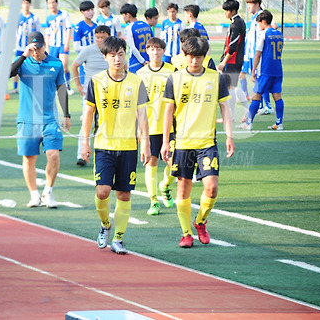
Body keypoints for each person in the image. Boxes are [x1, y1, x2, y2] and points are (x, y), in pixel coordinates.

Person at [160, 36, 235, 248]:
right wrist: (166, 142)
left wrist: (229, 135)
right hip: (182, 143)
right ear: (184, 56)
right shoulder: (174, 79)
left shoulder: (216, 78)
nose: (194, 61)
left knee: (211, 188)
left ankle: (200, 221)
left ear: (205, 57)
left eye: (199, 57)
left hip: (207, 142)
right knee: (183, 189)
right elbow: (168, 112)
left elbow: (225, 108)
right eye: (191, 57)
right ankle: (186, 233)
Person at [80, 36, 150, 255]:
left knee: (124, 195)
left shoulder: (136, 82)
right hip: (104, 145)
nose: (117, 59)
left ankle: (118, 238)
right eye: (112, 55)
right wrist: (85, 143)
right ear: (105, 57)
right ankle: (105, 225)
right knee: (102, 192)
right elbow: (89, 114)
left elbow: (142, 115)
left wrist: (145, 143)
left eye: (121, 54)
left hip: (129, 146)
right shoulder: (96, 81)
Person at [10, 31, 70, 208]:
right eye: (33, 48)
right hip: (27, 120)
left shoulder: (55, 63)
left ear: (45, 45)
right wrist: (23, 55)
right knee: (29, 159)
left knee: (53, 155)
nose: (36, 51)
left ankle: (48, 192)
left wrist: (66, 114)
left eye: (39, 47)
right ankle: (34, 194)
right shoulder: (23, 62)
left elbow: (62, 89)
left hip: (49, 120)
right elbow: (7, 73)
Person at [137, 37, 176, 216]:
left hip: (171, 127)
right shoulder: (140, 74)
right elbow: (138, 106)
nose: (155, 52)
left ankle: (165, 185)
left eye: (158, 49)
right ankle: (153, 201)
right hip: (150, 127)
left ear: (163, 51)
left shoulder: (173, 71)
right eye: (151, 49)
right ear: (147, 51)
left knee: (174, 164)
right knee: (151, 163)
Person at [71, 25, 111, 167]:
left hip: (109, 93)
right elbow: (74, 65)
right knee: (87, 123)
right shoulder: (88, 50)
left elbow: (123, 67)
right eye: (98, 37)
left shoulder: (113, 51)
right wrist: (79, 86)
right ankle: (81, 154)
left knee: (107, 123)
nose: (100, 40)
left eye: (103, 37)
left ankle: (107, 154)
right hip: (90, 94)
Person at [239, 9, 285, 131]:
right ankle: (279, 123)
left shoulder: (263, 34)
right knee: (277, 97)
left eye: (259, 23)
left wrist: (253, 71)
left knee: (256, 96)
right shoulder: (279, 34)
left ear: (263, 22)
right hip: (278, 70)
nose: (258, 26)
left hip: (265, 71)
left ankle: (248, 123)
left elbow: (258, 54)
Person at [240, 0, 272, 120]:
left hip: (257, 53)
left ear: (257, 5)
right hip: (250, 54)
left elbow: (273, 26)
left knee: (258, 79)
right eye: (247, 5)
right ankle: (252, 100)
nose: (248, 7)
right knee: (244, 75)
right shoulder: (253, 19)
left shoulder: (262, 15)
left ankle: (267, 106)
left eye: (250, 5)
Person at [217, 0, 247, 124]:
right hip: (236, 60)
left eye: (226, 11)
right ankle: (243, 111)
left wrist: (224, 62)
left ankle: (230, 116)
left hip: (232, 61)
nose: (225, 13)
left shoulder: (235, 24)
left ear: (233, 11)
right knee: (232, 87)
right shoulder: (240, 21)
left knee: (229, 88)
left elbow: (232, 46)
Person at [44, 0, 73, 91]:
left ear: (56, 3)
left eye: (53, 2)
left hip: (62, 44)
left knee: (64, 66)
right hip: (52, 45)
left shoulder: (64, 14)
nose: (51, 5)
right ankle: (56, 87)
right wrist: (47, 47)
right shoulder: (48, 18)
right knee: (53, 67)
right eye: (49, 3)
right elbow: (47, 34)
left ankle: (67, 86)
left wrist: (67, 43)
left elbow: (69, 28)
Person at [14, 0, 39, 92]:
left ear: (30, 4)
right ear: (21, 4)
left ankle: (33, 85)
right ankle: (15, 87)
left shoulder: (35, 18)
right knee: (17, 65)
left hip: (31, 47)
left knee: (33, 66)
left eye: (27, 3)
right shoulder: (18, 17)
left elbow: (38, 31)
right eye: (24, 3)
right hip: (20, 47)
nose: (26, 5)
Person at [120, 3, 152, 73]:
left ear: (128, 15)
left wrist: (142, 61)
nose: (123, 17)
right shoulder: (146, 25)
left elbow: (133, 48)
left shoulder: (129, 28)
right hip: (149, 61)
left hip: (136, 62)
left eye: (123, 15)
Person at [73, 1, 97, 90]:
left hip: (95, 59)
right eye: (88, 10)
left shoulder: (96, 26)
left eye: (92, 9)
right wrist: (90, 49)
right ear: (82, 12)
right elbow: (76, 47)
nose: (91, 12)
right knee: (86, 87)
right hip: (84, 60)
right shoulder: (79, 27)